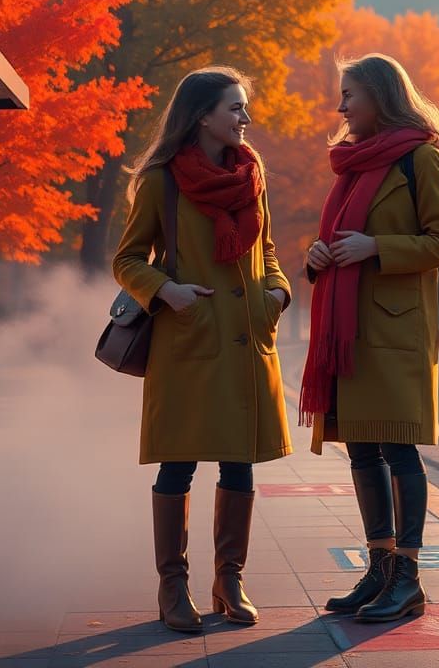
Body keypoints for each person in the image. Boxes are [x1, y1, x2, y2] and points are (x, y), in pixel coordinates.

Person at [113, 67, 293, 633]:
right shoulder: (162, 180)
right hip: (190, 340)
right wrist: (165, 290)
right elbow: (126, 260)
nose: (246, 118)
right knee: (179, 464)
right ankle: (173, 587)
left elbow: (268, 250)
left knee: (238, 462)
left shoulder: (252, 172)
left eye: (245, 107)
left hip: (246, 339)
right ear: (202, 115)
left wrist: (278, 293)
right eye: (235, 108)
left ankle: (228, 580)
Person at [302, 53, 439, 624]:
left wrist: (377, 249)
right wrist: (317, 256)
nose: (341, 106)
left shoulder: (420, 157)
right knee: (362, 448)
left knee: (398, 448)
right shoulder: (348, 165)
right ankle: (379, 566)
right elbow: (335, 237)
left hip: (392, 329)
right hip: (349, 329)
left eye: (350, 95)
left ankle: (409, 578)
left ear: (380, 96)